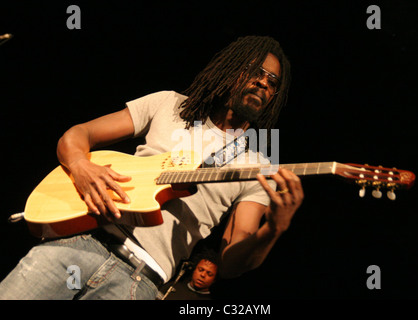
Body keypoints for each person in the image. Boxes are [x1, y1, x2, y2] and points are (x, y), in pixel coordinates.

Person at [0, 35, 304, 299]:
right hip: (78, 244)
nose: (263, 82)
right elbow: (77, 135)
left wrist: (274, 229)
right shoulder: (169, 105)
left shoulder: (259, 166)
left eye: (272, 81)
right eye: (255, 71)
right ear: (231, 70)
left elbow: (230, 263)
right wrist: (80, 165)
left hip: (138, 282)